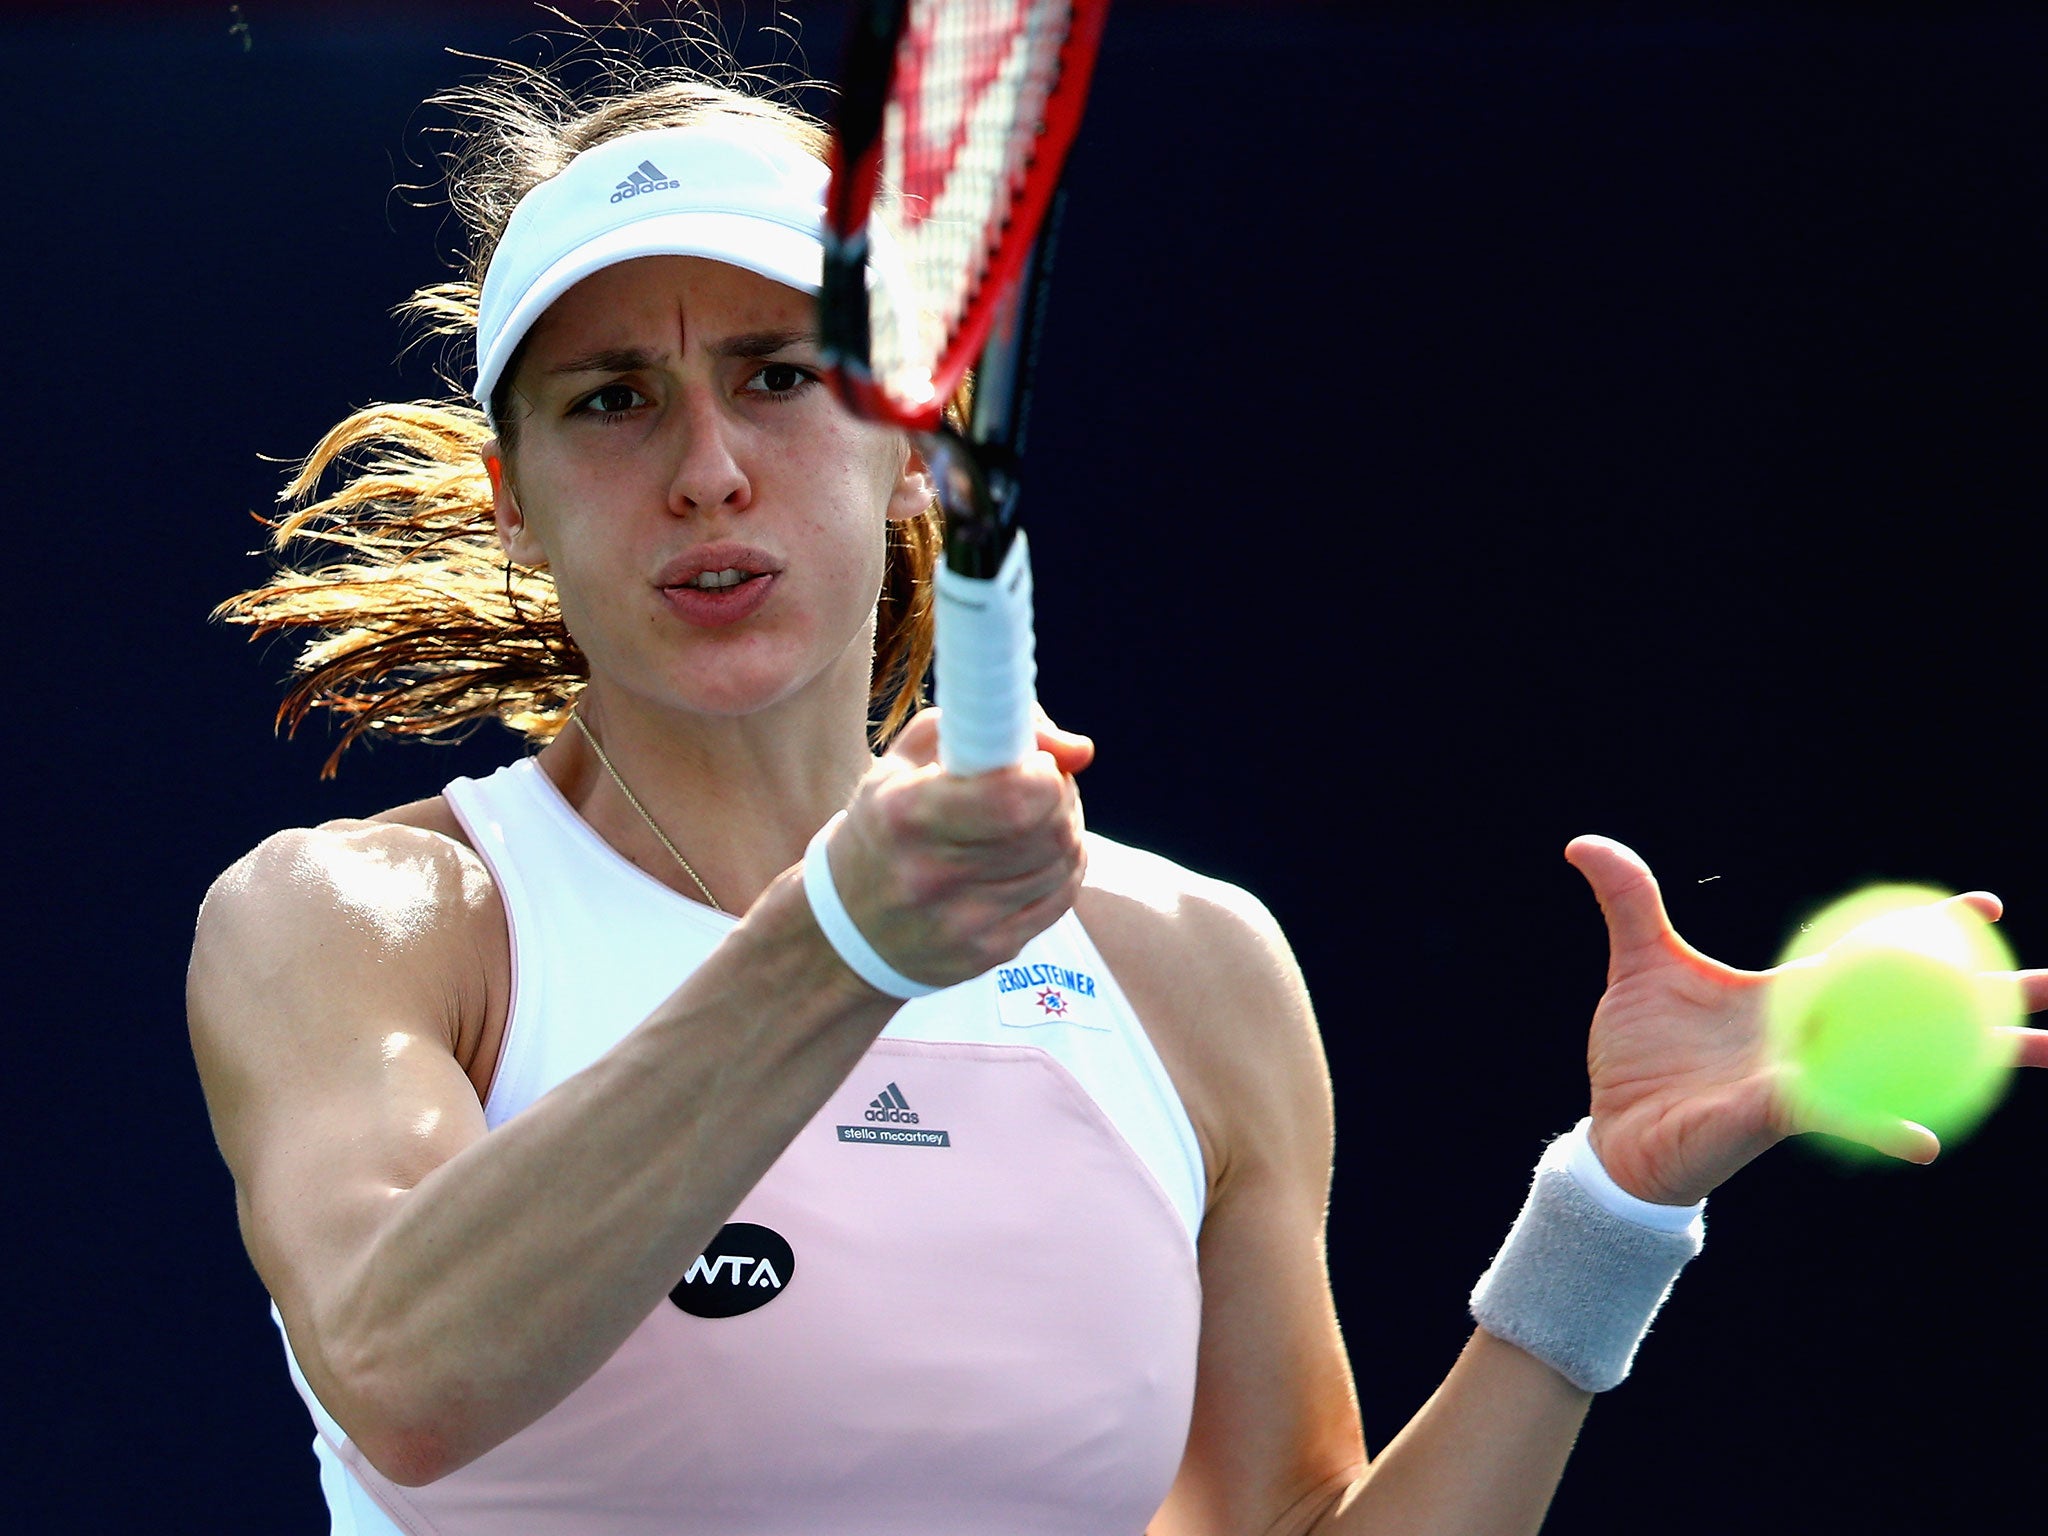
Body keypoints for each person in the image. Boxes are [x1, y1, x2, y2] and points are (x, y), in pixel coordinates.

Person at [186, 33, 2048, 1536]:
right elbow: (409, 1373)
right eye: (612, 400)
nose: (707, 473)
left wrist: (1608, 1218)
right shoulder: (364, 927)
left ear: (910, 444)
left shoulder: (1189, 970)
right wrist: (845, 940)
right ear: (512, 499)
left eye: (775, 376)